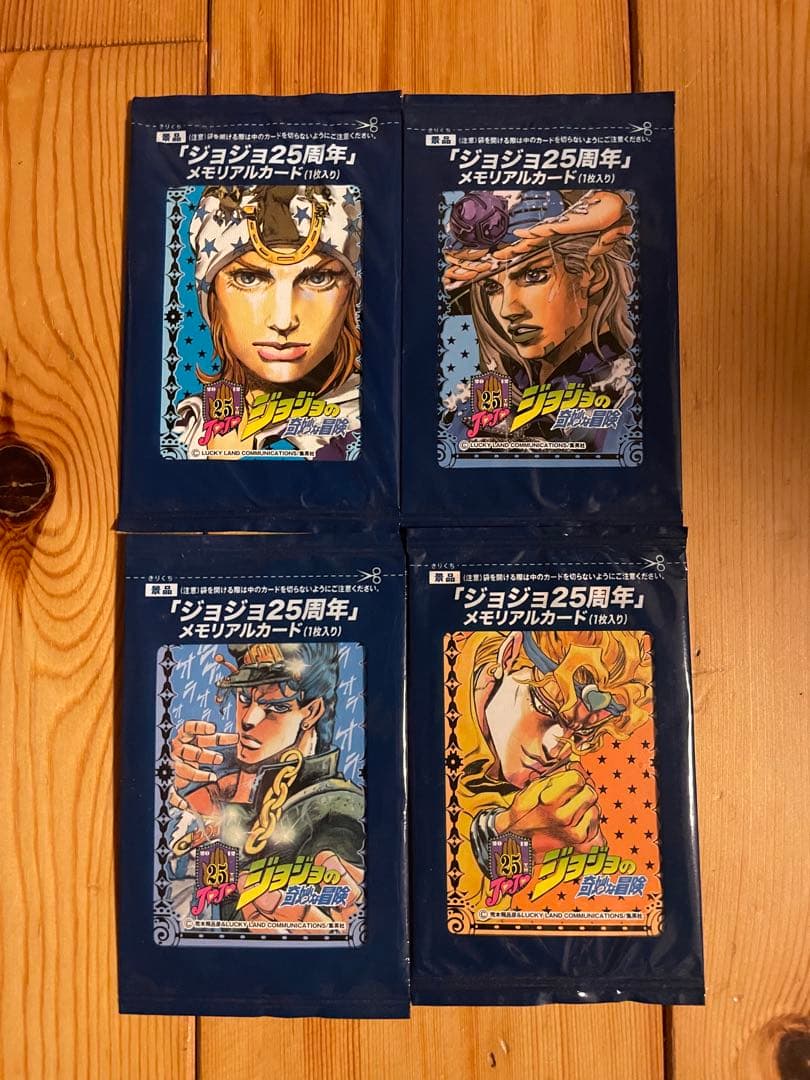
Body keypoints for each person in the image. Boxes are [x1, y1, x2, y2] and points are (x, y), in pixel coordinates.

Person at [168, 643, 364, 932]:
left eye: (276, 707)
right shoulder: (216, 780)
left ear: (311, 712)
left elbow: (228, 917)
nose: (248, 720)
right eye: (244, 698)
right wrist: (177, 793)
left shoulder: (334, 809)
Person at [454, 630, 653, 906]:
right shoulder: (440, 697)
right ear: (509, 655)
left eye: (580, 735)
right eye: (547, 709)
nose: (556, 749)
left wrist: (578, 856)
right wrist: (498, 831)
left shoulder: (558, 791)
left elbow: (492, 905)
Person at [175, 184, 362, 460]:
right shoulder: (189, 426)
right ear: (211, 297)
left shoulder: (372, 424)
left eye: (318, 278)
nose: (282, 321)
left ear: (351, 293)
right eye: (249, 278)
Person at [442, 189, 637, 452]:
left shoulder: (627, 394)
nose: (508, 310)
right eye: (492, 287)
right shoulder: (489, 394)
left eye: (534, 275)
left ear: (593, 273)